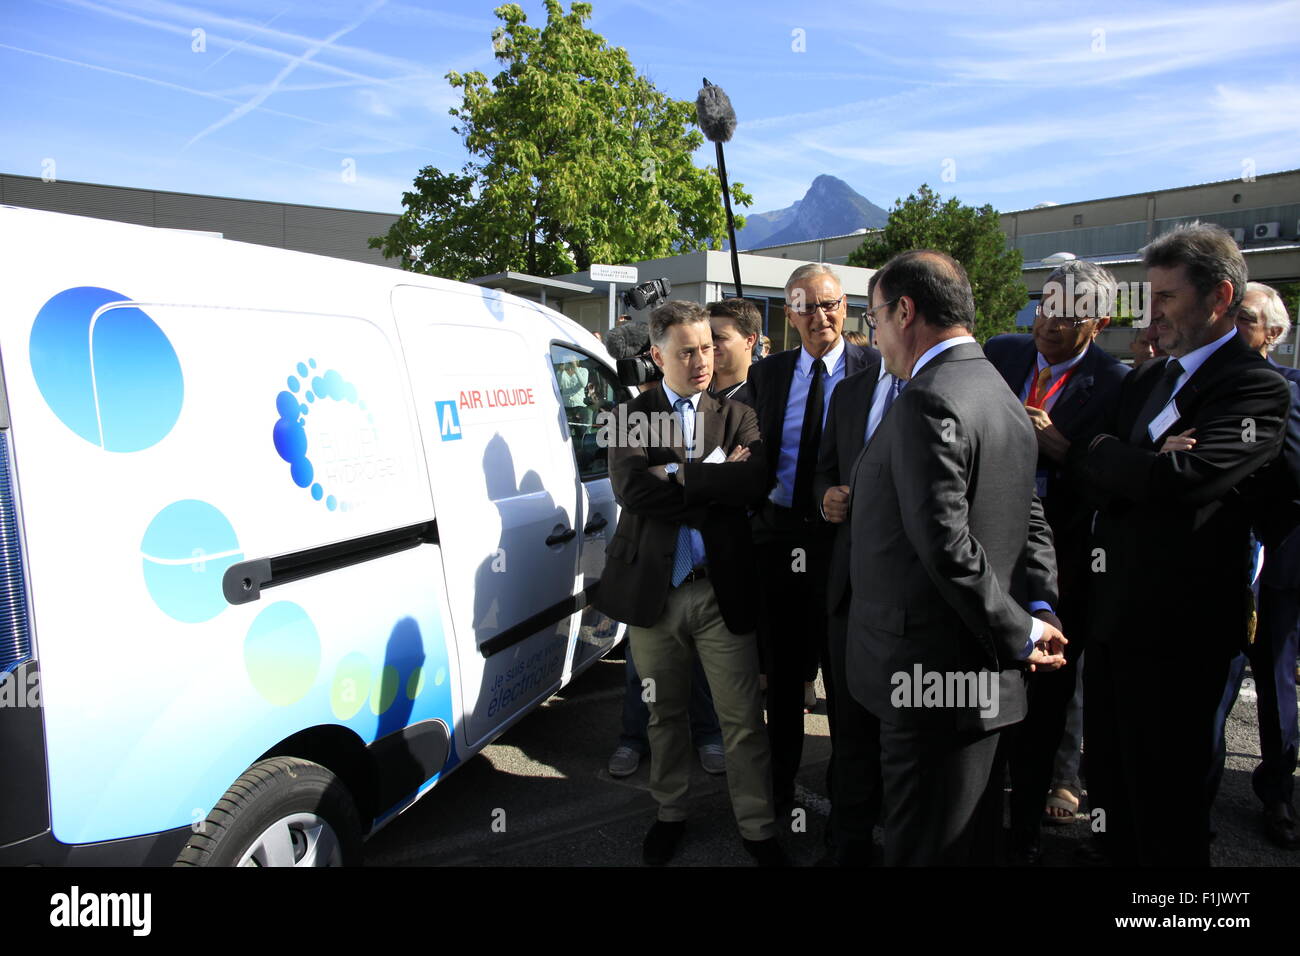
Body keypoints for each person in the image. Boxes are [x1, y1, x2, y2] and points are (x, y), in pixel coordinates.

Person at [1066, 223, 1290, 866]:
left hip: (1181, 637)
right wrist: (1132, 461)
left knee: (1167, 808)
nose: (1152, 311)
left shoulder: (1253, 386)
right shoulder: (1146, 380)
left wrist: (1121, 459)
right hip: (1113, 621)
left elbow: (1184, 481)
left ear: (1219, 297)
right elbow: (1087, 466)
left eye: (1165, 296)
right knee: (1111, 791)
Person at [846, 249, 1066, 866]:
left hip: (931, 682)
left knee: (926, 847)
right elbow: (1030, 517)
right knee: (967, 841)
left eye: (874, 317)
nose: (873, 334)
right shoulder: (999, 389)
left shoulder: (928, 399)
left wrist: (1023, 629)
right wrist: (1039, 607)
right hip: (976, 682)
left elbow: (946, 544)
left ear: (904, 311)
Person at [593, 300, 786, 866]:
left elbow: (753, 483)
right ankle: (670, 813)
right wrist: (713, 480)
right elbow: (633, 492)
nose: (702, 361)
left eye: (707, 348)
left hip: (721, 590)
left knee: (742, 720)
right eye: (687, 352)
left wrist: (676, 473)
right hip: (655, 594)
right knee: (664, 714)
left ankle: (758, 829)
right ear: (657, 356)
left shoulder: (737, 413)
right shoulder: (632, 415)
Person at [983, 259, 1130, 864]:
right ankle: (978, 817)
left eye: (1068, 315)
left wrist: (1061, 450)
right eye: (1044, 306)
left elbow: (1118, 487)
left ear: (1098, 324)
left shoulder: (1117, 385)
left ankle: (1025, 828)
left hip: (1063, 566)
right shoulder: (1001, 353)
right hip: (988, 553)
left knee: (1045, 700)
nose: (1048, 322)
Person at [747, 263, 873, 809]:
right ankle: (778, 785)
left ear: (846, 308)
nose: (820, 315)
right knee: (781, 671)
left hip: (844, 542)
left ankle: (849, 791)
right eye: (806, 305)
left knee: (844, 673)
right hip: (779, 537)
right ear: (789, 313)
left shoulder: (876, 370)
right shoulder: (768, 374)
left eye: (830, 304)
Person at [1208, 282, 1300, 850]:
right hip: (1216, 563)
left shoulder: (1287, 390)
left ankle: (1278, 793)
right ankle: (1195, 798)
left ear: (1273, 334)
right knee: (1211, 687)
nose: (1234, 326)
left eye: (1245, 319)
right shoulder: (1202, 385)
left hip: (1276, 566)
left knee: (1275, 678)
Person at [813, 341, 886, 865]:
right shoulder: (850, 392)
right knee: (850, 722)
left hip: (912, 593)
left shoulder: (938, 391)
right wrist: (826, 498)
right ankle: (848, 838)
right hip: (848, 586)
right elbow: (824, 467)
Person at [707, 298, 761, 406]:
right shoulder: (693, 387)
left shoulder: (760, 397)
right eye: (708, 338)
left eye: (721, 338)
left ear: (749, 340)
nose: (711, 345)